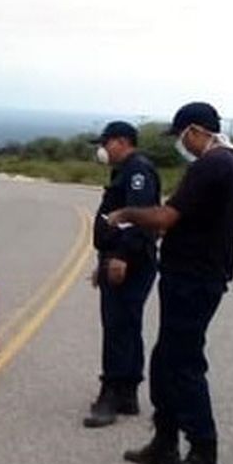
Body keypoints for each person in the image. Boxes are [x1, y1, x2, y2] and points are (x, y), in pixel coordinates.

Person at [108, 102, 233, 464]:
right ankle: (165, 438)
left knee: (184, 363)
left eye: (182, 137)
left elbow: (167, 217)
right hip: (200, 274)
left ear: (195, 130)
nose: (182, 145)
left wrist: (125, 214)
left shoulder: (212, 165)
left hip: (194, 277)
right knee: (165, 358)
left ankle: (204, 455)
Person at [84, 122, 161, 428]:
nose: (102, 149)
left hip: (130, 261)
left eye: (105, 143)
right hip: (124, 259)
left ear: (122, 142)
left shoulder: (137, 171)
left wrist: (118, 257)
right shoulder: (126, 171)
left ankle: (112, 393)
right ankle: (128, 391)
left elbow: (136, 219)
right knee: (127, 325)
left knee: (117, 325)